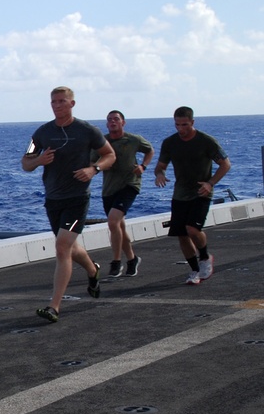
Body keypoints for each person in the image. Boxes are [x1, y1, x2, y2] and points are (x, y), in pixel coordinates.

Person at [22, 86, 115, 323]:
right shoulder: (42, 133)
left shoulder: (87, 131)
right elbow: (26, 162)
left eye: (62, 101)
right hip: (53, 199)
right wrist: (39, 160)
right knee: (70, 247)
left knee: (62, 247)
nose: (57, 105)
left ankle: (54, 306)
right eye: (53, 101)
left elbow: (109, 155)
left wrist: (93, 169)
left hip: (77, 198)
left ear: (72, 104)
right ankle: (93, 270)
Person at [153, 106, 230, 285]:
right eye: (177, 125)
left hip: (201, 192)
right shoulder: (169, 143)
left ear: (192, 122)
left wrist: (210, 183)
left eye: (185, 124)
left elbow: (225, 164)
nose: (181, 129)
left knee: (193, 229)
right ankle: (195, 270)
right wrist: (159, 174)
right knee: (182, 234)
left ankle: (205, 257)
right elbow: (160, 166)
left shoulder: (206, 141)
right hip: (180, 193)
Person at [96, 110, 154, 278]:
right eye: (110, 120)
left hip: (130, 184)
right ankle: (132, 259)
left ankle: (115, 262)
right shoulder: (102, 142)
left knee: (113, 221)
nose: (113, 122)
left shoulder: (133, 139)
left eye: (116, 119)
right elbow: (94, 161)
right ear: (107, 124)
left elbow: (149, 150)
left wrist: (143, 166)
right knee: (119, 226)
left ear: (123, 122)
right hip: (109, 189)